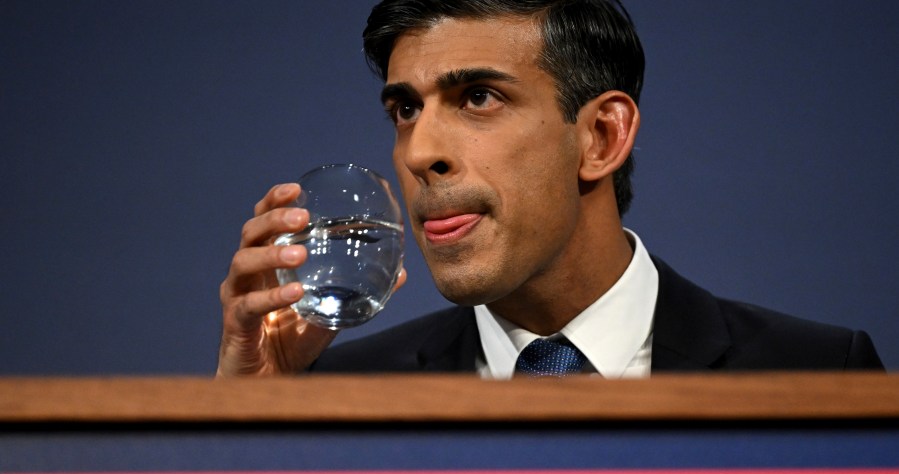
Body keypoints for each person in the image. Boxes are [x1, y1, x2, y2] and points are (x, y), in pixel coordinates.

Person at [217, 0, 883, 378]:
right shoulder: (336, 394)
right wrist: (251, 421)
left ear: (600, 136)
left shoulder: (813, 371)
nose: (419, 153)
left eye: (477, 97)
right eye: (405, 109)